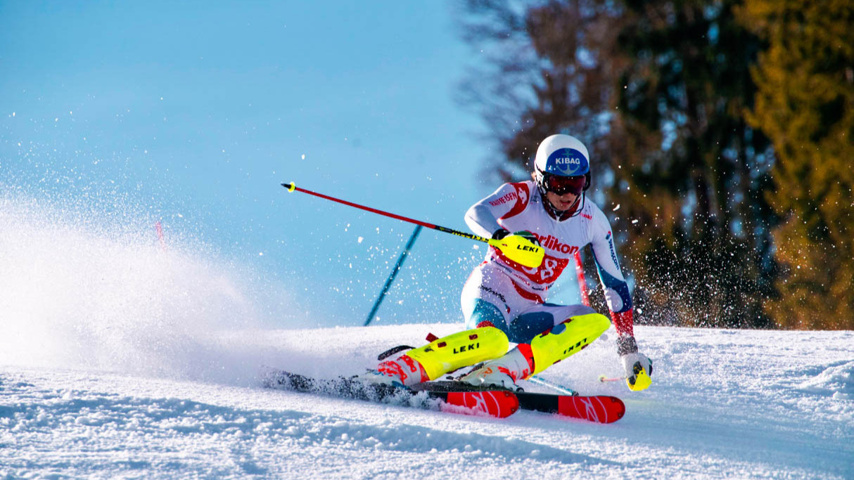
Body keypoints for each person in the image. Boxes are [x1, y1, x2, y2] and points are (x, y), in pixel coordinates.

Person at [364, 134, 652, 392]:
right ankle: (399, 369)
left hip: (530, 308)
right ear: (541, 178)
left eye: (576, 184)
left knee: (592, 320)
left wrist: (628, 350)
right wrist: (501, 236)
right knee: (493, 340)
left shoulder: (593, 221)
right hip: (491, 288)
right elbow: (476, 212)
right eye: (558, 183)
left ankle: (498, 371)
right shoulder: (522, 195)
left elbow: (615, 287)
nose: (567, 194)